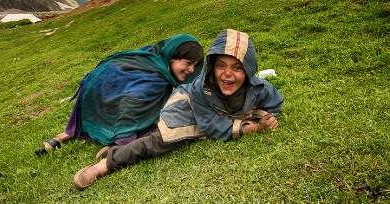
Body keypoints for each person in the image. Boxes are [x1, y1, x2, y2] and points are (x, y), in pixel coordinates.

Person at [73, 29, 284, 191]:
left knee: (154, 133)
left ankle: (121, 146)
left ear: (248, 71)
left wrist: (263, 116)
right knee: (159, 142)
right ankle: (105, 165)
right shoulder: (202, 89)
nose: (227, 74)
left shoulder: (260, 88)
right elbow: (211, 125)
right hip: (188, 108)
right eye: (221, 65)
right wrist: (253, 128)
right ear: (212, 67)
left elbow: (274, 104)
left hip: (214, 115)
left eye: (237, 68)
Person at [35, 34, 204, 156]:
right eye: (187, 63)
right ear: (172, 58)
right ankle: (68, 136)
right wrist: (121, 143)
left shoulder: (151, 55)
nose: (190, 70)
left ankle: (61, 137)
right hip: (106, 98)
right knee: (153, 126)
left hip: (96, 95)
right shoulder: (156, 80)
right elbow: (130, 107)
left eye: (194, 66)